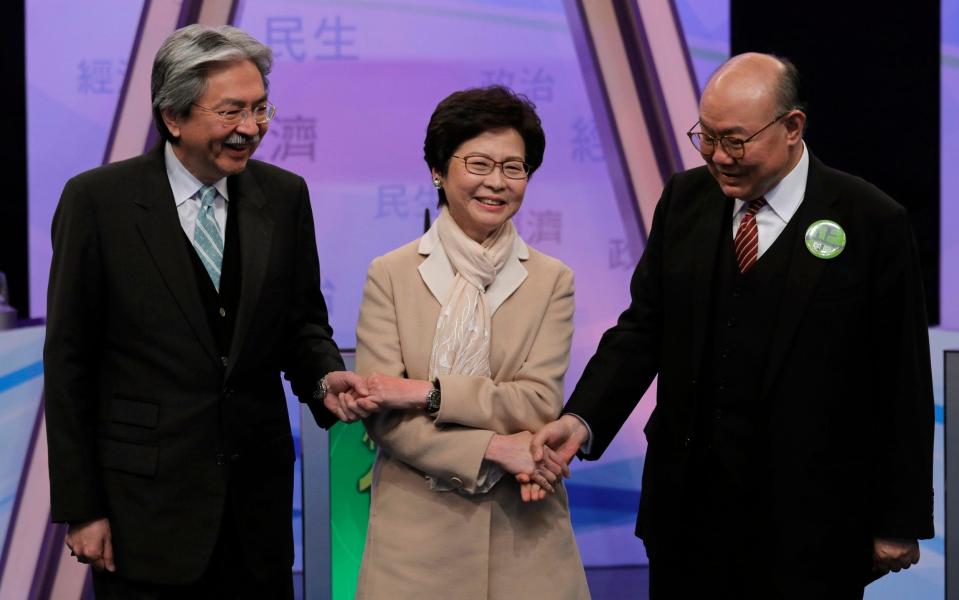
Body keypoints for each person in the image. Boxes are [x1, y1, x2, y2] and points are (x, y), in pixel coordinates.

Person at [531, 53, 934, 599]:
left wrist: (898, 517)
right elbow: (643, 328)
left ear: (793, 128)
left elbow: (900, 379)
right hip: (687, 518)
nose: (719, 156)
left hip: (813, 526)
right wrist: (582, 418)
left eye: (736, 141)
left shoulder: (871, 221)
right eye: (707, 137)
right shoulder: (684, 200)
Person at [44, 24, 366, 598]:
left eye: (260, 108)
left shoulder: (284, 196)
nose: (251, 128)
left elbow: (302, 323)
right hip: (142, 511)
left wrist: (323, 377)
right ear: (174, 117)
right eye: (231, 111)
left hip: (256, 512)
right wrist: (82, 507)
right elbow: (69, 363)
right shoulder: (98, 202)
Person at [347, 86, 589, 599]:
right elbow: (383, 412)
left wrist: (425, 393)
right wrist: (497, 447)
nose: (496, 183)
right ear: (438, 169)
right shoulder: (391, 274)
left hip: (525, 537)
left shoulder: (552, 279)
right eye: (478, 164)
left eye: (514, 168)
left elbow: (537, 401)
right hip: (415, 541)